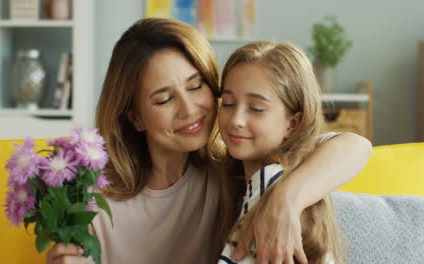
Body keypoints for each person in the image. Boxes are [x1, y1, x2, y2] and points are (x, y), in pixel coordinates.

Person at [46, 18, 371, 264]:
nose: (189, 110)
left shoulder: (235, 170)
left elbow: (354, 145)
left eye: (195, 86)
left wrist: (286, 199)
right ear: (135, 117)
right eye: (163, 100)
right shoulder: (89, 195)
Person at [218, 41, 347, 264]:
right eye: (228, 103)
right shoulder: (247, 183)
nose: (236, 120)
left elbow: (355, 144)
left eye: (256, 108)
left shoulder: (269, 183)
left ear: (293, 123)